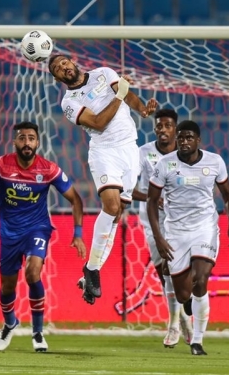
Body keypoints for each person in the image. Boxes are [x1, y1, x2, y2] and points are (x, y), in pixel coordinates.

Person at [49, 54, 157, 304]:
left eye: (64, 62)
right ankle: (94, 271)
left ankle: (90, 270)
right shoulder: (68, 102)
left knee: (118, 214)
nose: (63, 67)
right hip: (104, 152)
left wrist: (140, 108)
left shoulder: (104, 73)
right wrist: (120, 96)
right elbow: (97, 123)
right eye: (57, 68)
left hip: (130, 149)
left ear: (73, 62)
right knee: (110, 205)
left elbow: (127, 93)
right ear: (56, 78)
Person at [0, 121, 87, 352]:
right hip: (9, 233)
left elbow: (76, 199)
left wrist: (78, 234)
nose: (27, 143)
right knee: (7, 287)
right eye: (22, 138)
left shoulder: (48, 169)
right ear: (15, 142)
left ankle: (37, 333)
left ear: (38, 142)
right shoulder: (2, 165)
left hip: (37, 228)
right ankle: (9, 322)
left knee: (33, 272)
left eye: (31, 138)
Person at [147, 120, 229, 356]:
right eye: (181, 138)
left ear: (198, 140)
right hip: (176, 232)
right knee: (182, 295)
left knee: (201, 278)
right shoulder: (165, 164)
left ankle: (197, 341)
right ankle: (190, 305)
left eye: (189, 138)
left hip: (204, 227)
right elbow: (151, 201)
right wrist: (159, 237)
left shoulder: (215, 161)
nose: (184, 142)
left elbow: (228, 195)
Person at [131, 109, 194, 348]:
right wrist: (150, 197)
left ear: (176, 130)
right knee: (164, 274)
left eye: (168, 125)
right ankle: (183, 319)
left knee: (173, 268)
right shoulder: (143, 153)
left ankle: (173, 325)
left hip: (179, 222)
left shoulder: (185, 155)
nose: (162, 130)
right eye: (159, 126)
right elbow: (128, 187)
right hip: (152, 222)